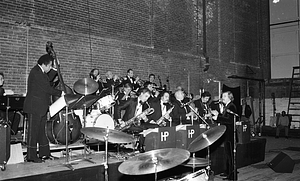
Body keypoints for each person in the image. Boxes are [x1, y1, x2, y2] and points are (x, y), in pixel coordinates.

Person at [23, 54, 63, 163]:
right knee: (33, 133)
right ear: (44, 64)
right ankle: (31, 156)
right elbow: (47, 88)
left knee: (42, 132)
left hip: (40, 107)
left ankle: (44, 154)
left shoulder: (40, 72)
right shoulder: (36, 72)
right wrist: (61, 93)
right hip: (34, 107)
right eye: (50, 66)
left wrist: (55, 68)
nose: (50, 68)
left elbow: (47, 80)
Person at [211, 91, 237, 180]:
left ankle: (231, 175)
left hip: (230, 134)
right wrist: (218, 115)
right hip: (227, 134)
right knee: (227, 154)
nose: (222, 98)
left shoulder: (232, 106)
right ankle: (228, 171)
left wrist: (218, 117)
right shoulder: (228, 106)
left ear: (229, 97)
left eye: (224, 96)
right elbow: (226, 118)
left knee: (230, 155)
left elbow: (230, 120)